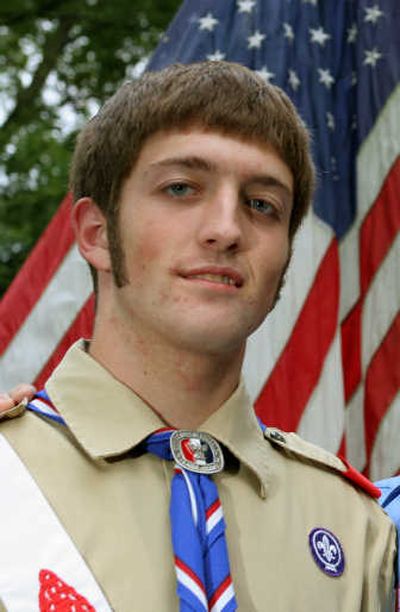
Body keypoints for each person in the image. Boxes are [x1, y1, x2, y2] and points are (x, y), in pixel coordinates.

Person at [0, 61, 395, 612]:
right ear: (97, 235)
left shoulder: (357, 528)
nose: (227, 230)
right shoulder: (7, 472)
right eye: (182, 188)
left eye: (263, 204)